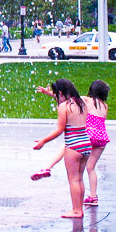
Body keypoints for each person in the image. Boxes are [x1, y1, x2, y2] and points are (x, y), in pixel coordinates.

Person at [31, 81, 111, 207]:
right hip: (102, 137)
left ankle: (48, 167)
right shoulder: (105, 106)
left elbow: (70, 100)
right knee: (91, 168)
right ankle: (93, 196)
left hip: (87, 134)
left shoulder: (86, 100)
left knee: (67, 147)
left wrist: (49, 93)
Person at [33, 79, 90, 218]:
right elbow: (65, 97)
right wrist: (49, 93)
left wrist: (43, 141)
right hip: (86, 143)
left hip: (73, 146)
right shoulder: (82, 102)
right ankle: (79, 208)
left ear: (60, 93)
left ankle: (76, 211)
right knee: (79, 179)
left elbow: (60, 130)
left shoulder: (63, 107)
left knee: (73, 179)